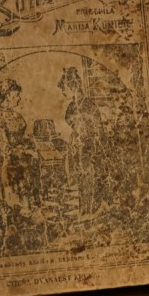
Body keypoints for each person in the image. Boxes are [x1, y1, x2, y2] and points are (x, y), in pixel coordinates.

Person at [58, 67, 106, 218]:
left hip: (89, 145)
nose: (63, 92)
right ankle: (83, 209)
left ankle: (90, 210)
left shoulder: (89, 105)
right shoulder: (72, 106)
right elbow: (73, 125)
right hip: (77, 145)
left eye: (64, 88)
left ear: (73, 86)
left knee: (88, 175)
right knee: (80, 177)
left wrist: (85, 138)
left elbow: (97, 128)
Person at [0, 78, 38, 209]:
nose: (19, 98)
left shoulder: (16, 116)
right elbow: (6, 149)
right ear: (7, 95)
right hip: (6, 165)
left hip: (21, 161)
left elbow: (21, 139)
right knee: (14, 207)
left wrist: (32, 144)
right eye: (17, 95)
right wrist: (27, 151)